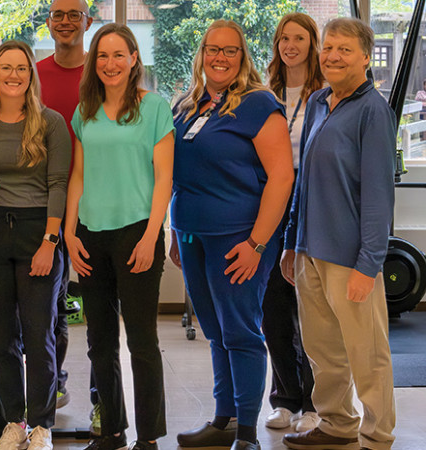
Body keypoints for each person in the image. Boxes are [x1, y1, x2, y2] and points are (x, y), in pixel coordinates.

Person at [171, 20, 294, 450]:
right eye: (212, 49)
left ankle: (246, 432)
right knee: (214, 330)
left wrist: (257, 244)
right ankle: (224, 419)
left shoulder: (260, 104)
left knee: (241, 332)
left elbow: (282, 178)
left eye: (230, 50)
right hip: (192, 235)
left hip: (239, 238)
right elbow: (179, 175)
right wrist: (175, 233)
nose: (220, 58)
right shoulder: (188, 105)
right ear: (201, 54)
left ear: (243, 56)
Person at [281, 17, 396, 450]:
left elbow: (379, 195)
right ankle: (336, 423)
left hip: (350, 257)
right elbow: (304, 182)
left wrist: (369, 264)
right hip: (310, 250)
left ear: (365, 57)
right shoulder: (317, 102)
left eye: (344, 49)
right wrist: (292, 242)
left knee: (368, 354)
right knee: (323, 350)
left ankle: (377, 436)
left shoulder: (373, 112)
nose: (332, 56)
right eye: (328, 47)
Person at [65, 23, 174, 450]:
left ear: (133, 59)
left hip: (136, 233)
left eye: (118, 55)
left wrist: (152, 236)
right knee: (99, 342)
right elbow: (78, 175)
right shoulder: (85, 111)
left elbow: (164, 178)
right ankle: (111, 430)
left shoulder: (155, 108)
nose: (110, 64)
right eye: (102, 56)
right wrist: (70, 232)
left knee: (142, 342)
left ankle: (148, 438)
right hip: (91, 235)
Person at [0, 40, 71, 450]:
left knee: (38, 335)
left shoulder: (50, 122)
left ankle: (42, 426)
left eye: (21, 68)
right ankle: (14, 422)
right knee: (1, 337)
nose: (13, 75)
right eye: (5, 67)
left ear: (31, 75)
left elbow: (59, 184)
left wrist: (50, 241)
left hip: (37, 232)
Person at [261, 12, 323, 433]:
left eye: (299, 38)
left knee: (312, 310)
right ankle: (284, 398)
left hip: (311, 203)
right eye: (284, 38)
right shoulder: (265, 94)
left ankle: (315, 403)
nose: (290, 45)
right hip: (271, 203)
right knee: (274, 309)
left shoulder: (325, 95)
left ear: (312, 44)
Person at [35, 0, 93, 413]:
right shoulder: (34, 75)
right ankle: (53, 383)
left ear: (88, 21)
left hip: (97, 204)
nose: (66, 21)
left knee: (99, 308)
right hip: (48, 203)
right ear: (49, 22)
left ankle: (104, 399)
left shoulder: (104, 71)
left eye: (75, 14)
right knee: (51, 303)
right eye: (59, 14)